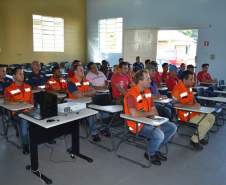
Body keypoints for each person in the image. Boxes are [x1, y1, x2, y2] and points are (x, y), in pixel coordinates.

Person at [124, 70, 177, 165]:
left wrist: (158, 122)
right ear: (140, 81)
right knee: (159, 135)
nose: (150, 80)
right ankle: (150, 153)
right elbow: (134, 114)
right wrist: (150, 114)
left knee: (172, 127)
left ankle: (155, 149)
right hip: (137, 124)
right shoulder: (131, 94)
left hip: (149, 121)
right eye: (147, 79)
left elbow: (153, 109)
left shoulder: (147, 91)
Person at [172, 70, 215, 150]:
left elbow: (192, 97)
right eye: (191, 79)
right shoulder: (177, 88)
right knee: (205, 124)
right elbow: (174, 104)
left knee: (211, 117)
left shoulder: (188, 87)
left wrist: (196, 103)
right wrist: (192, 107)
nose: (193, 81)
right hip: (184, 115)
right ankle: (194, 140)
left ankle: (199, 136)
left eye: (193, 79)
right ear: (185, 79)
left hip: (194, 112)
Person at [67, 64, 101, 142]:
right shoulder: (71, 82)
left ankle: (101, 127)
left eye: (83, 70)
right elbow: (78, 95)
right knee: (91, 112)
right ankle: (94, 133)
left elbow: (94, 91)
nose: (83, 71)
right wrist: (87, 93)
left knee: (101, 110)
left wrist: (83, 94)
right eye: (81, 70)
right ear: (75, 72)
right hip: (73, 105)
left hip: (86, 103)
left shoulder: (86, 81)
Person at [4, 66, 33, 154]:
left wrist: (32, 108)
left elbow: (32, 101)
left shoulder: (28, 86)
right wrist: (17, 104)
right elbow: (6, 102)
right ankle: (25, 145)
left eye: (23, 74)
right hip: (18, 113)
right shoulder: (9, 89)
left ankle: (46, 138)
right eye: (20, 74)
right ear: (14, 76)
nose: (22, 75)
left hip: (29, 111)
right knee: (24, 123)